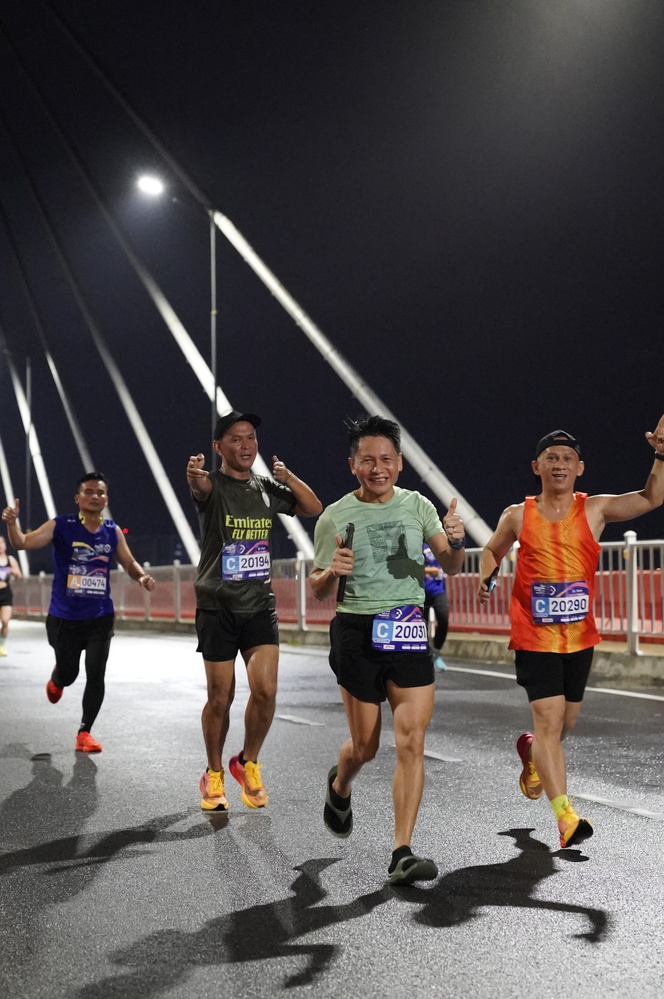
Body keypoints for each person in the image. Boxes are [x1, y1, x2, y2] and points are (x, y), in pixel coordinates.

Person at [477, 421, 664, 849]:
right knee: (548, 721)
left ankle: (532, 754)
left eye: (567, 458)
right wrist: (488, 575)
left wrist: (661, 454)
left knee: (565, 724)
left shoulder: (595, 509)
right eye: (551, 458)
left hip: (579, 637)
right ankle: (565, 817)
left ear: (580, 468)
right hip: (533, 635)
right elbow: (491, 550)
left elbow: (652, 497)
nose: (559, 464)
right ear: (536, 467)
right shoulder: (517, 515)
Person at [310, 415, 466, 885]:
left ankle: (402, 852)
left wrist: (456, 540)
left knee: (412, 740)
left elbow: (451, 565)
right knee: (366, 746)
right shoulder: (334, 516)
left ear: (399, 463)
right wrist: (331, 571)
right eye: (367, 460)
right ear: (352, 465)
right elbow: (318, 589)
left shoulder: (418, 505)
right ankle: (340, 784)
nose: (377, 468)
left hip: (407, 629)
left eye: (385, 459)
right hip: (356, 632)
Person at [186, 409, 323, 813]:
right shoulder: (212, 484)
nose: (246, 446)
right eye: (236, 439)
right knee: (220, 697)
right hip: (217, 606)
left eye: (251, 438)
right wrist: (193, 476)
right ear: (219, 447)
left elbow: (313, 507)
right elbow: (199, 487)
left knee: (265, 691)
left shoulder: (265, 487)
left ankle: (247, 762)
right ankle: (213, 774)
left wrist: (288, 478)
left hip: (259, 605)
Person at [2, 474, 156, 752]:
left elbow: (128, 562)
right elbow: (23, 542)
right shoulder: (61, 526)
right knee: (69, 674)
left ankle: (85, 732)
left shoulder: (112, 531)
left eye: (100, 492)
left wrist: (142, 576)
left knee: (96, 672)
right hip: (64, 617)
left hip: (100, 616)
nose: (95, 496)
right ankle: (58, 678)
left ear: (106, 498)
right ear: (78, 498)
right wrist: (12, 524)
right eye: (89, 491)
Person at [423, 542, 449, 671]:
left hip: (439, 590)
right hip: (422, 591)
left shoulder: (441, 543)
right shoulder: (419, 544)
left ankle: (437, 651)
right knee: (423, 624)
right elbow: (410, 566)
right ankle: (424, 655)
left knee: (443, 619)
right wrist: (428, 570)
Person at [0, 535, 22, 657]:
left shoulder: (10, 559)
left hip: (5, 593)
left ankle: (1, 646)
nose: (0, 545)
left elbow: (19, 576)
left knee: (5, 621)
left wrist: (10, 570)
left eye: (2, 542)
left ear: (5, 545)